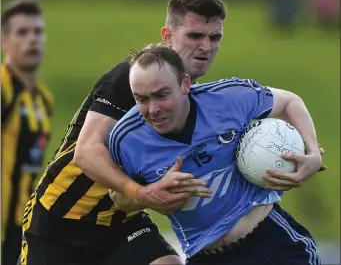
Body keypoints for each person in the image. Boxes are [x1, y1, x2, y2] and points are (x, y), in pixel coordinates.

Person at [19, 0, 226, 265]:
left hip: (120, 221)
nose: (205, 47)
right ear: (168, 35)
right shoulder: (130, 78)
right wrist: (141, 193)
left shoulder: (194, 97)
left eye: (214, 38)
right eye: (195, 36)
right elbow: (86, 152)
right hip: (60, 218)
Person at [108, 43, 322, 265]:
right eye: (141, 99)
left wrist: (313, 152)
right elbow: (119, 200)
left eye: (162, 95)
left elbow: (289, 102)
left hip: (271, 243)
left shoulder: (229, 98)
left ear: (185, 84)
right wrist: (151, 193)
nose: (153, 109)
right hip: (205, 256)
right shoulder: (126, 138)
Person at [1, 0, 53, 265]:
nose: (32, 39)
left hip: (23, 226)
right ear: (4, 41)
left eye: (38, 32)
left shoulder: (43, 100)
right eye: (22, 33)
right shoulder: (3, 89)